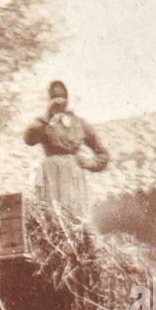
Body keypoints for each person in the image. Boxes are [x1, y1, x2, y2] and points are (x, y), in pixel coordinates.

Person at [23, 80, 109, 219]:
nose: (59, 102)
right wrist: (47, 117)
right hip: (50, 173)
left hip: (72, 175)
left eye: (62, 97)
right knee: (51, 216)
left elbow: (102, 154)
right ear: (49, 100)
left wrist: (90, 163)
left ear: (67, 99)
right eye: (54, 98)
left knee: (74, 216)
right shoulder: (43, 123)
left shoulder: (79, 123)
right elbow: (28, 139)